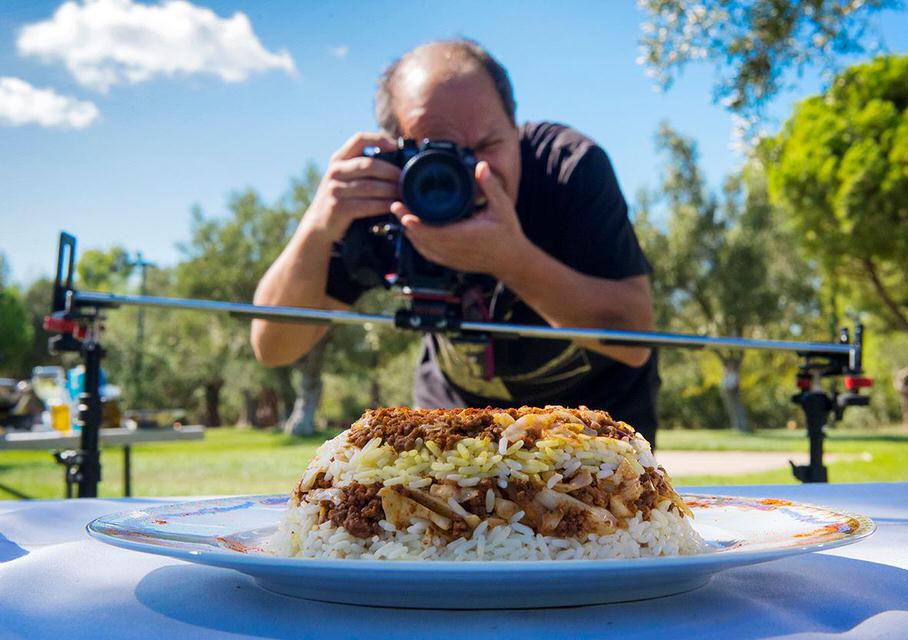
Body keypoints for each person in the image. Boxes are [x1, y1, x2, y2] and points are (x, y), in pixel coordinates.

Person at [251, 40, 661, 444]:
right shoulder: (384, 197)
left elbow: (634, 339)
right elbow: (274, 345)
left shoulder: (568, 167)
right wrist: (318, 226)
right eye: (436, 155)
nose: (469, 174)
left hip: (597, 426)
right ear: (397, 150)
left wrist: (512, 260)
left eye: (486, 145)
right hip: (457, 424)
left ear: (514, 125)